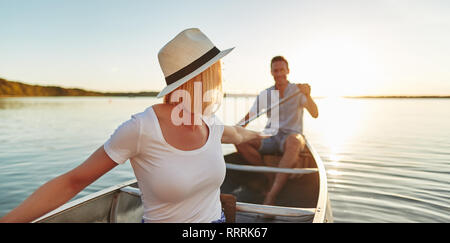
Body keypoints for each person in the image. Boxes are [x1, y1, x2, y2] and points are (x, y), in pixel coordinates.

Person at [0, 28, 266, 223]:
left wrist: (259, 136)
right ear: (204, 78)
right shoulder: (141, 128)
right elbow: (72, 181)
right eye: (217, 71)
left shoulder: (209, 120)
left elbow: (236, 134)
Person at [235, 56, 319, 206]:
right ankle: (270, 177)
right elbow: (249, 117)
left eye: (282, 70)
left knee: (294, 141)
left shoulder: (298, 91)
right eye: (276, 70)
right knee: (240, 140)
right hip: (271, 136)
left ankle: (271, 195)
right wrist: (232, 132)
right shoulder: (265, 94)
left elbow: (315, 113)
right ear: (271, 72)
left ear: (288, 71)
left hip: (292, 136)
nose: (279, 73)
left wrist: (308, 95)